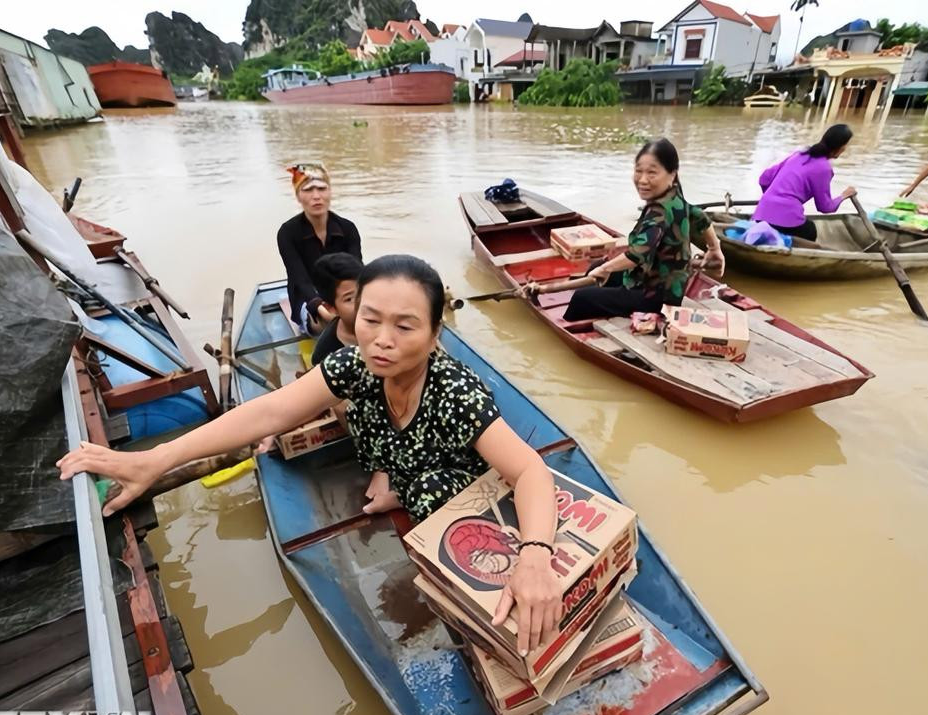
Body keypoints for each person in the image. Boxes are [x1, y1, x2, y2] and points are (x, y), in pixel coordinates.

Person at [58, 255, 563, 654]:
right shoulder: (359, 363)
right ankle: (392, 475)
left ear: (435, 335)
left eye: (405, 327)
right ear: (353, 315)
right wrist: (155, 460)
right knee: (357, 413)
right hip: (399, 456)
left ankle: (406, 489)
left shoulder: (454, 390)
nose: (383, 340)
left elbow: (530, 472)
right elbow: (268, 414)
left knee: (431, 494)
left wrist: (536, 556)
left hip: (453, 481)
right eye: (371, 319)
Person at [558, 138, 724, 322]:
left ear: (672, 174)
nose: (642, 180)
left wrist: (606, 268)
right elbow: (700, 217)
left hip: (655, 296)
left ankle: (567, 326)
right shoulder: (674, 197)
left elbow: (637, 255)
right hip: (660, 282)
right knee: (597, 267)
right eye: (638, 171)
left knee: (583, 297)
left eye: (652, 173)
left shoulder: (658, 212)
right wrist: (714, 248)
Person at [277, 162, 362, 332]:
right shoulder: (287, 233)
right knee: (326, 324)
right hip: (306, 296)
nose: (316, 196)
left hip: (343, 294)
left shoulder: (348, 228)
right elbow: (300, 279)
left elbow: (357, 272)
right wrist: (321, 308)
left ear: (330, 192)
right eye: (308, 190)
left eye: (322, 189)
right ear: (298, 196)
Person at [751, 124, 856, 242]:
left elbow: (764, 179)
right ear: (840, 148)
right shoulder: (824, 168)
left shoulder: (800, 153)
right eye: (845, 146)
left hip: (760, 215)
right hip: (784, 220)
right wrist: (844, 196)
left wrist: (773, 199)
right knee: (811, 230)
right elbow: (825, 207)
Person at [310, 252, 362, 366]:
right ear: (331, 308)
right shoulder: (325, 356)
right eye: (349, 299)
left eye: (364, 292)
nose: (362, 302)